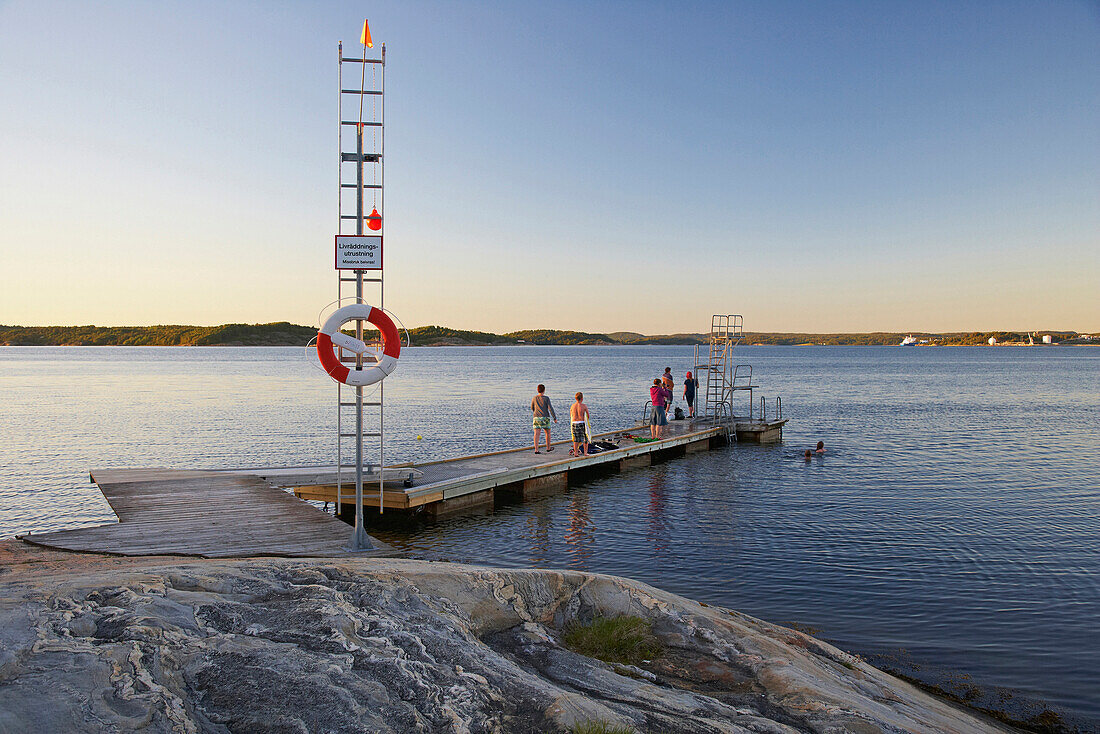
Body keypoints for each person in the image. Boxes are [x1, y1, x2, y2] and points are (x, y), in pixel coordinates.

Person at [530, 384, 557, 454]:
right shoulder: (546, 398)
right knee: (547, 433)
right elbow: (550, 408)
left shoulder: (534, 398)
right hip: (545, 417)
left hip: (536, 417)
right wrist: (554, 417)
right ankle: (548, 448)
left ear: (537, 390)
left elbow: (532, 407)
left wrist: (535, 412)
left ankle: (536, 449)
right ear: (544, 390)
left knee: (536, 433)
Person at [570, 392, 591, 456]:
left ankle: (576, 453)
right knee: (585, 438)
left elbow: (571, 415)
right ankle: (585, 453)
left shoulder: (573, 406)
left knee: (576, 439)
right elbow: (588, 415)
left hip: (574, 423)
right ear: (582, 398)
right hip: (581, 423)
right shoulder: (584, 406)